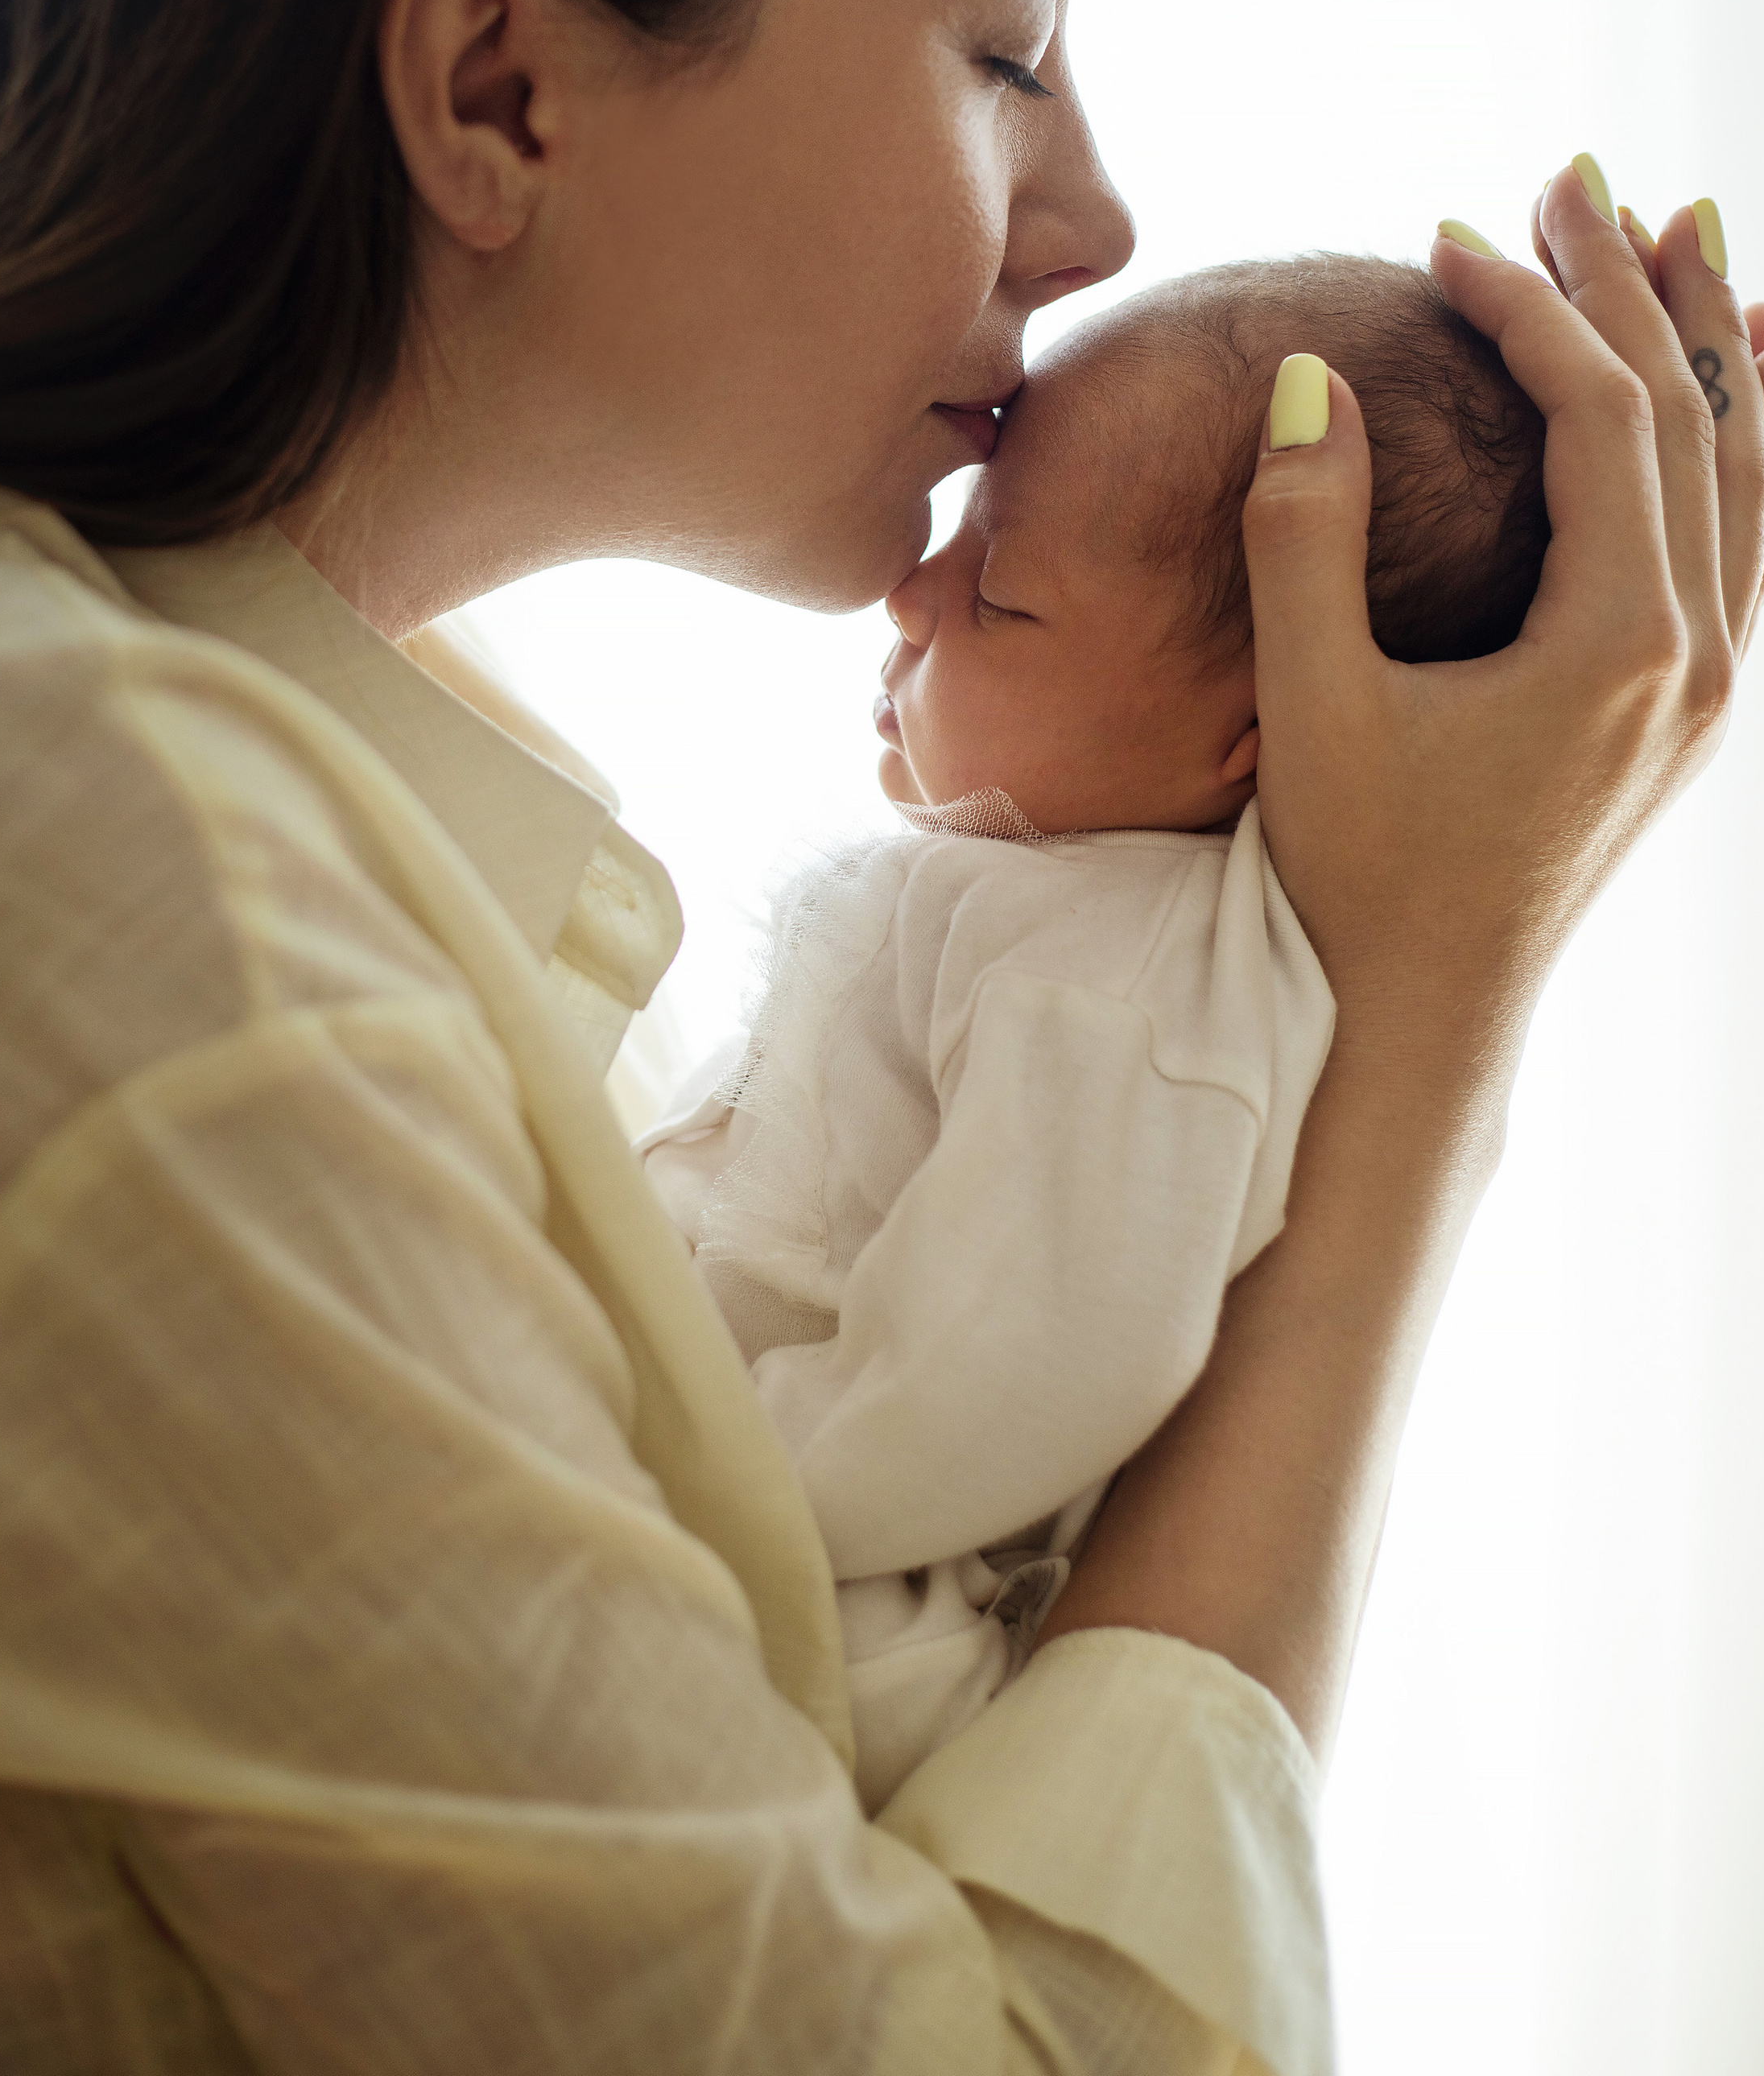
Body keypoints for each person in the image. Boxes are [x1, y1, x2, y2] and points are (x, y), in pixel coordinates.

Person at [0, 0, 1764, 2076]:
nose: (1090, 224)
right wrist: (1422, 1017)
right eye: (1012, 47)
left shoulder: (179, 787)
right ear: (494, 82)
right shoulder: (60, 858)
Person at [638, 257, 1551, 1815]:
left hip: (853, 1590)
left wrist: (702, 1479)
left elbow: (1018, 1358)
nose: (912, 591)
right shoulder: (1044, 908)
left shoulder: (1119, 982)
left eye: (996, 594)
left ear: (1258, 730)